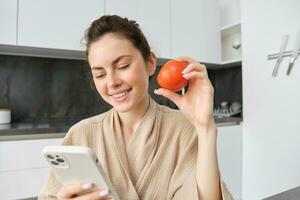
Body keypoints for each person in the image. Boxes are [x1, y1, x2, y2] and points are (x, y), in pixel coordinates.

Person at [38, 15, 233, 200]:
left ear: (150, 63)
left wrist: (206, 127)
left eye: (122, 66)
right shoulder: (80, 135)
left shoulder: (184, 128)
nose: (112, 82)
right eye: (100, 75)